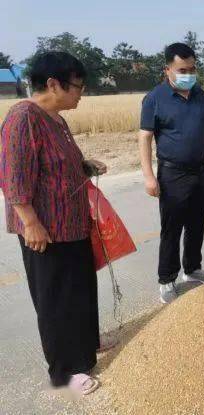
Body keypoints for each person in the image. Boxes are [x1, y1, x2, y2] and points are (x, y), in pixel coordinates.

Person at [0, 52, 112, 395]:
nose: (81, 94)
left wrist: (85, 165)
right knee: (55, 300)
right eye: (77, 87)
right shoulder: (23, 117)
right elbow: (12, 176)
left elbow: (63, 161)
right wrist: (30, 222)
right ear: (53, 84)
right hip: (46, 230)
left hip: (73, 223)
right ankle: (65, 370)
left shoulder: (57, 119)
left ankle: (83, 348)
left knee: (79, 291)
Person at [138, 43, 204, 304]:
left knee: (197, 223)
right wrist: (149, 176)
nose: (189, 73)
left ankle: (193, 269)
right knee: (172, 229)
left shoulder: (200, 94)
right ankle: (166, 279)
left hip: (201, 172)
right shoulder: (155, 98)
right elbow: (145, 138)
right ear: (168, 70)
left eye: (193, 68)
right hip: (173, 174)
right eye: (182, 69)